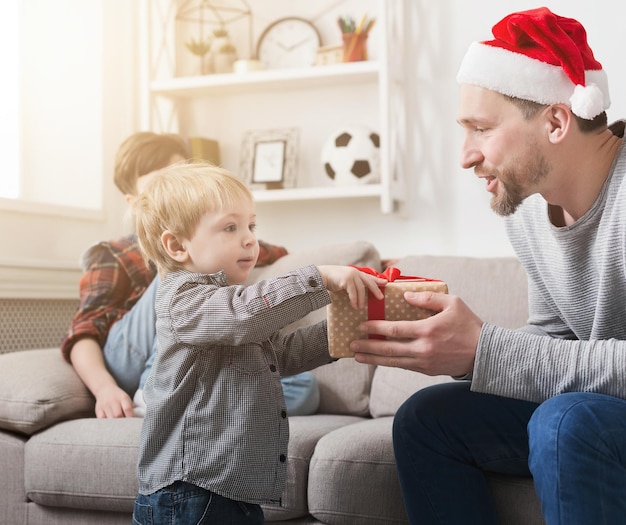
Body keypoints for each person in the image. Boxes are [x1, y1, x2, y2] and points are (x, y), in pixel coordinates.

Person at [349, 7, 626, 525]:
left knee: (563, 421)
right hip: (600, 412)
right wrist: (467, 357)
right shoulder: (529, 212)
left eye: (481, 129)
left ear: (557, 121)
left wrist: (488, 349)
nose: (465, 156)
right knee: (426, 419)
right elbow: (556, 341)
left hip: (590, 418)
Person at [130, 162, 386, 524]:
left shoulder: (226, 303)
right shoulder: (182, 300)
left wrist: (345, 332)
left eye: (251, 225)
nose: (250, 238)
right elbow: (242, 315)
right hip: (190, 489)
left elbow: (279, 354)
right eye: (230, 227)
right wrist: (320, 277)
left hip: (229, 489)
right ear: (176, 246)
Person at [61, 131, 317, 419]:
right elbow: (83, 332)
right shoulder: (115, 253)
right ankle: (152, 391)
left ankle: (198, 404)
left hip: (190, 361)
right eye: (161, 185)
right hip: (127, 358)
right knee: (174, 273)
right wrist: (105, 390)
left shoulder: (220, 242)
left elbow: (271, 252)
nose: (179, 192)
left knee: (304, 387)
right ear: (135, 204)